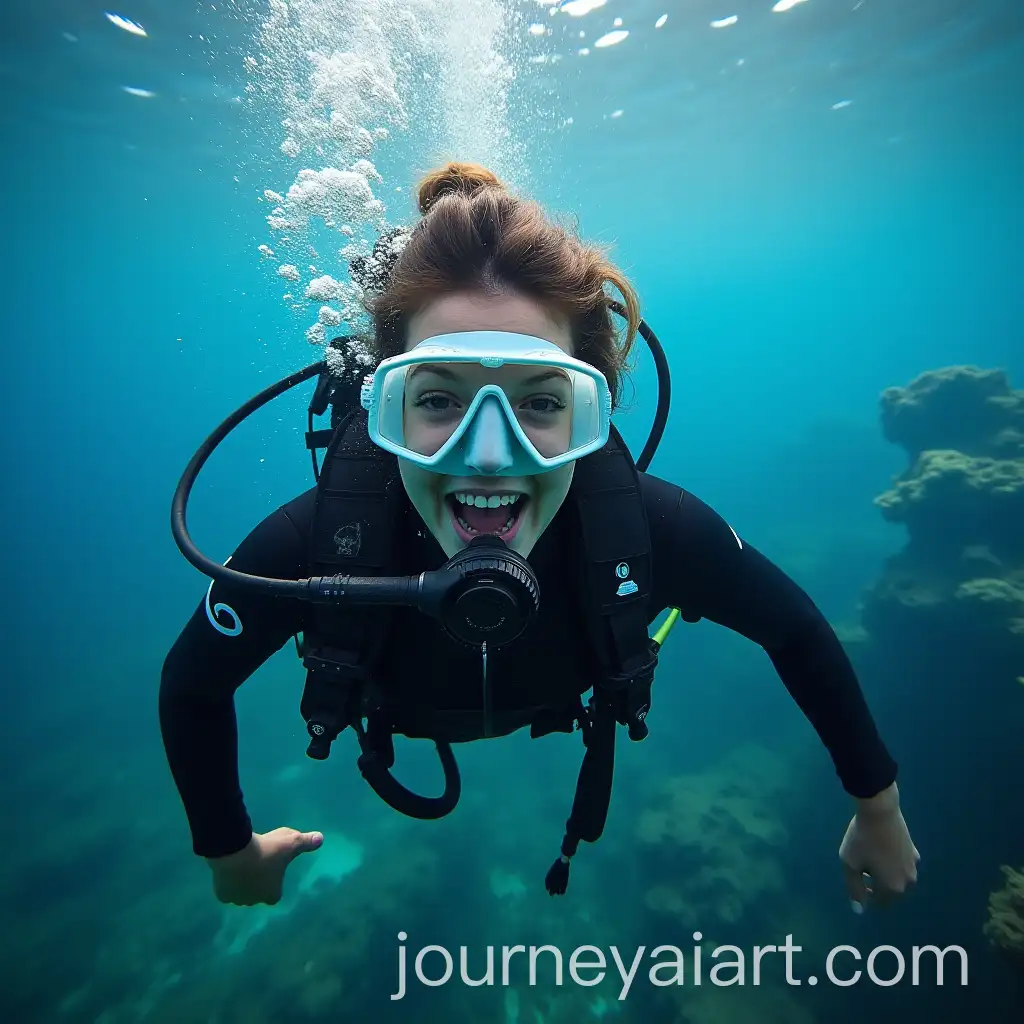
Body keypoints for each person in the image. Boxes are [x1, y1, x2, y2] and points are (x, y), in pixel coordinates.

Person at [160, 161, 920, 910]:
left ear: (592, 409)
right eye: (438, 400)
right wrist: (227, 848)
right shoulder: (320, 543)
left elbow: (795, 630)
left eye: (542, 403)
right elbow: (192, 683)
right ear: (383, 405)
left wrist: (878, 806)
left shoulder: (647, 529)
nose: (489, 454)